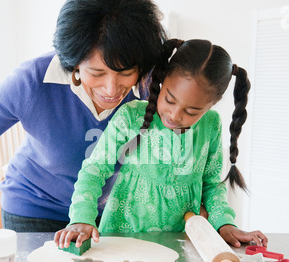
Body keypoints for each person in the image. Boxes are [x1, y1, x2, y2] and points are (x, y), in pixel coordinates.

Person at [55, 39, 268, 249]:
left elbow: (211, 185)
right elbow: (94, 169)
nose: (174, 115)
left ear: (213, 103)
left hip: (179, 243)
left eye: (191, 111)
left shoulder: (211, 125)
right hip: (120, 239)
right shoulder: (131, 116)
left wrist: (225, 223)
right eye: (169, 100)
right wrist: (81, 218)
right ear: (162, 79)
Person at [0, 0, 167, 232]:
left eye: (125, 72)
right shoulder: (32, 80)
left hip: (112, 215)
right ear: (74, 63)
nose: (111, 90)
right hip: (36, 210)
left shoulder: (153, 88)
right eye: (96, 73)